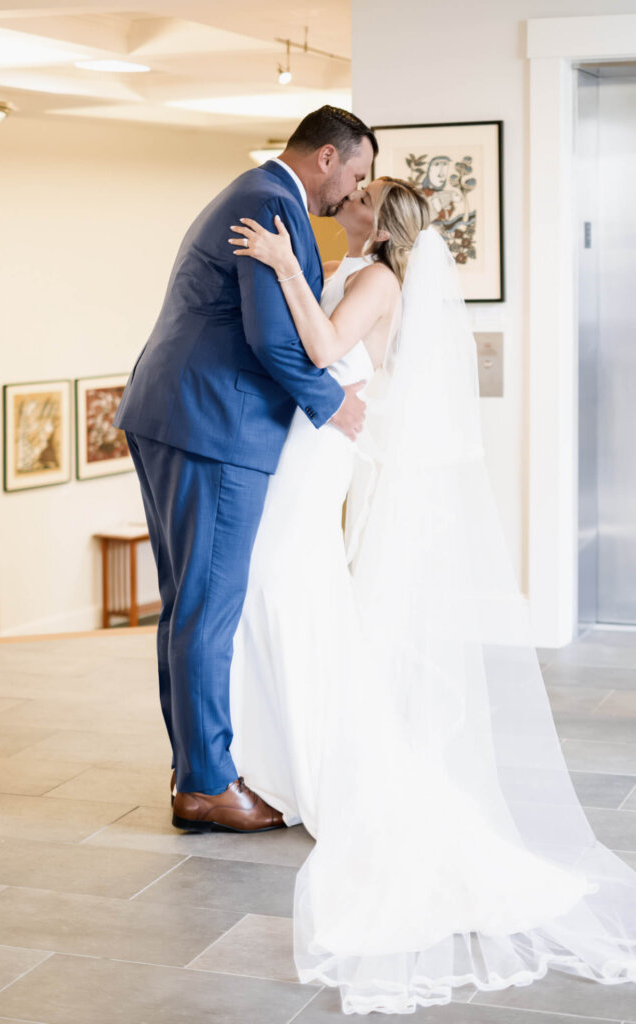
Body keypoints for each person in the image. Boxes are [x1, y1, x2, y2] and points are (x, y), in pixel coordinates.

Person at [227, 178, 636, 1013]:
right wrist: (293, 269)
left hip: (320, 451)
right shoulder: (352, 263)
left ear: (378, 220)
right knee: (285, 589)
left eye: (364, 190)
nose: (350, 191)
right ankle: (290, 750)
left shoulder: (377, 275)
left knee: (282, 582)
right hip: (306, 443)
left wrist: (278, 264)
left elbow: (319, 349)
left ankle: (312, 752)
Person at [113, 106, 375, 833]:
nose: (350, 190)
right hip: (213, 424)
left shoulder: (259, 194)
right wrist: (331, 403)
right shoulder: (268, 203)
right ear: (326, 157)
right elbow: (268, 336)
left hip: (178, 412)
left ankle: (192, 763)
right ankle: (204, 785)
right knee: (206, 608)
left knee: (188, 604)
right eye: (353, 173)